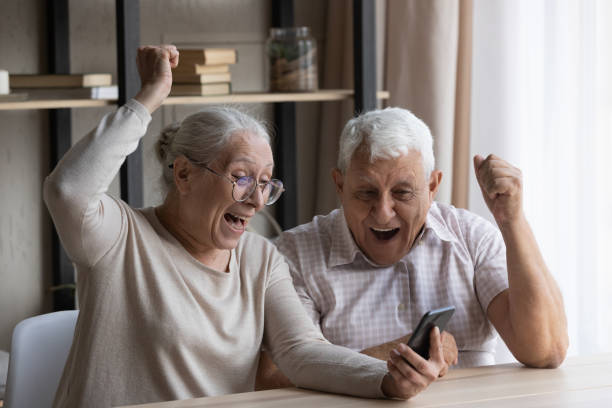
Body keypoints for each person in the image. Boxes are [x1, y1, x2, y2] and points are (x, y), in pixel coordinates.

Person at [43, 45, 448, 407]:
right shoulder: (119, 237)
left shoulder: (260, 259)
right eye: (241, 178)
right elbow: (67, 190)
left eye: (265, 183)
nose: (256, 200)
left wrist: (387, 381)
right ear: (183, 175)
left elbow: (302, 351)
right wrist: (148, 99)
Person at [258, 107, 569, 387]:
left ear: (432, 187)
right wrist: (396, 356)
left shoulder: (472, 238)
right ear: (340, 186)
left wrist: (511, 221)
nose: (382, 212)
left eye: (403, 193)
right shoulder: (294, 255)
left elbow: (546, 351)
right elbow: (272, 379)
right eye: (366, 192)